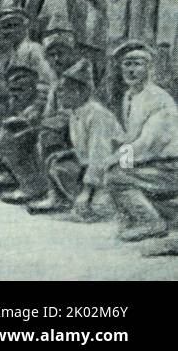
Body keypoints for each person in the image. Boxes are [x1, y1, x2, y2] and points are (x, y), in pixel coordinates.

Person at [32, 59, 123, 219]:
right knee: (57, 161)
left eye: (64, 91)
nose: (59, 96)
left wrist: (87, 192)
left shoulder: (97, 114)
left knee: (101, 209)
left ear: (79, 92)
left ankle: (92, 201)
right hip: (95, 168)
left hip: (116, 169)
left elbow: (99, 155)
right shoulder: (75, 112)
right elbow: (84, 150)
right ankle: (63, 200)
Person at [106, 41, 178, 241]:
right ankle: (139, 217)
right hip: (152, 163)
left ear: (149, 68)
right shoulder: (130, 96)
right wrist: (120, 160)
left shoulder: (157, 98)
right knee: (117, 173)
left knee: (115, 177)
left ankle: (151, 223)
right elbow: (131, 139)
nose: (130, 70)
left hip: (170, 167)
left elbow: (149, 143)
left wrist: (117, 160)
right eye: (126, 64)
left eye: (136, 64)